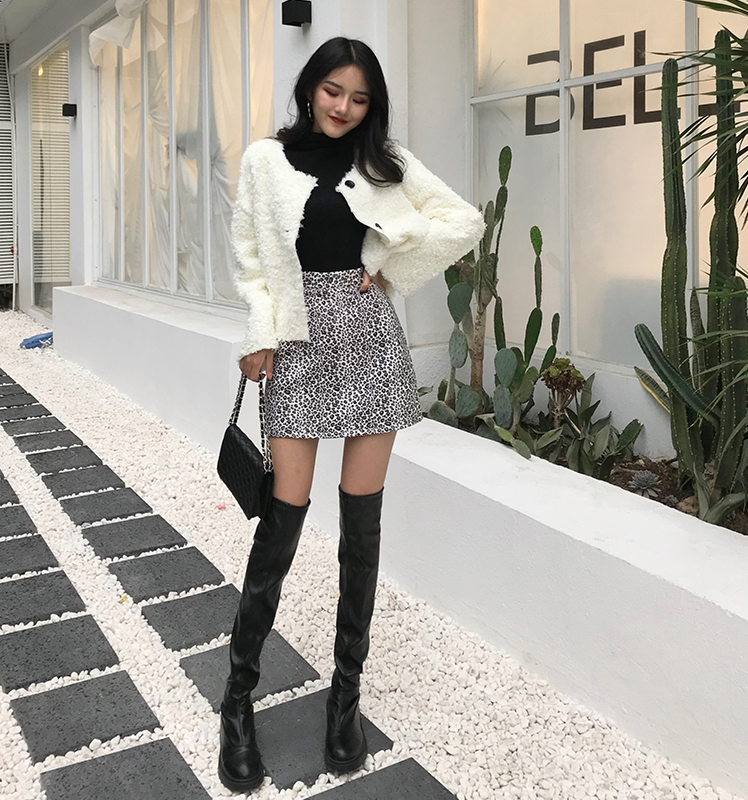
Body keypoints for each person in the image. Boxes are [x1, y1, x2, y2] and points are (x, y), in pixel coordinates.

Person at [219, 35, 485, 793]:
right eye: (334, 90)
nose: (344, 107)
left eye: (360, 98)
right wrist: (259, 334)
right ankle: (237, 699)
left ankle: (345, 699)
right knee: (282, 521)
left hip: (368, 337)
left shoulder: (383, 160)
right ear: (310, 88)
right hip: (298, 340)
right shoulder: (266, 160)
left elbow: (461, 220)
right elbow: (251, 258)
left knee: (361, 529)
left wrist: (390, 268)